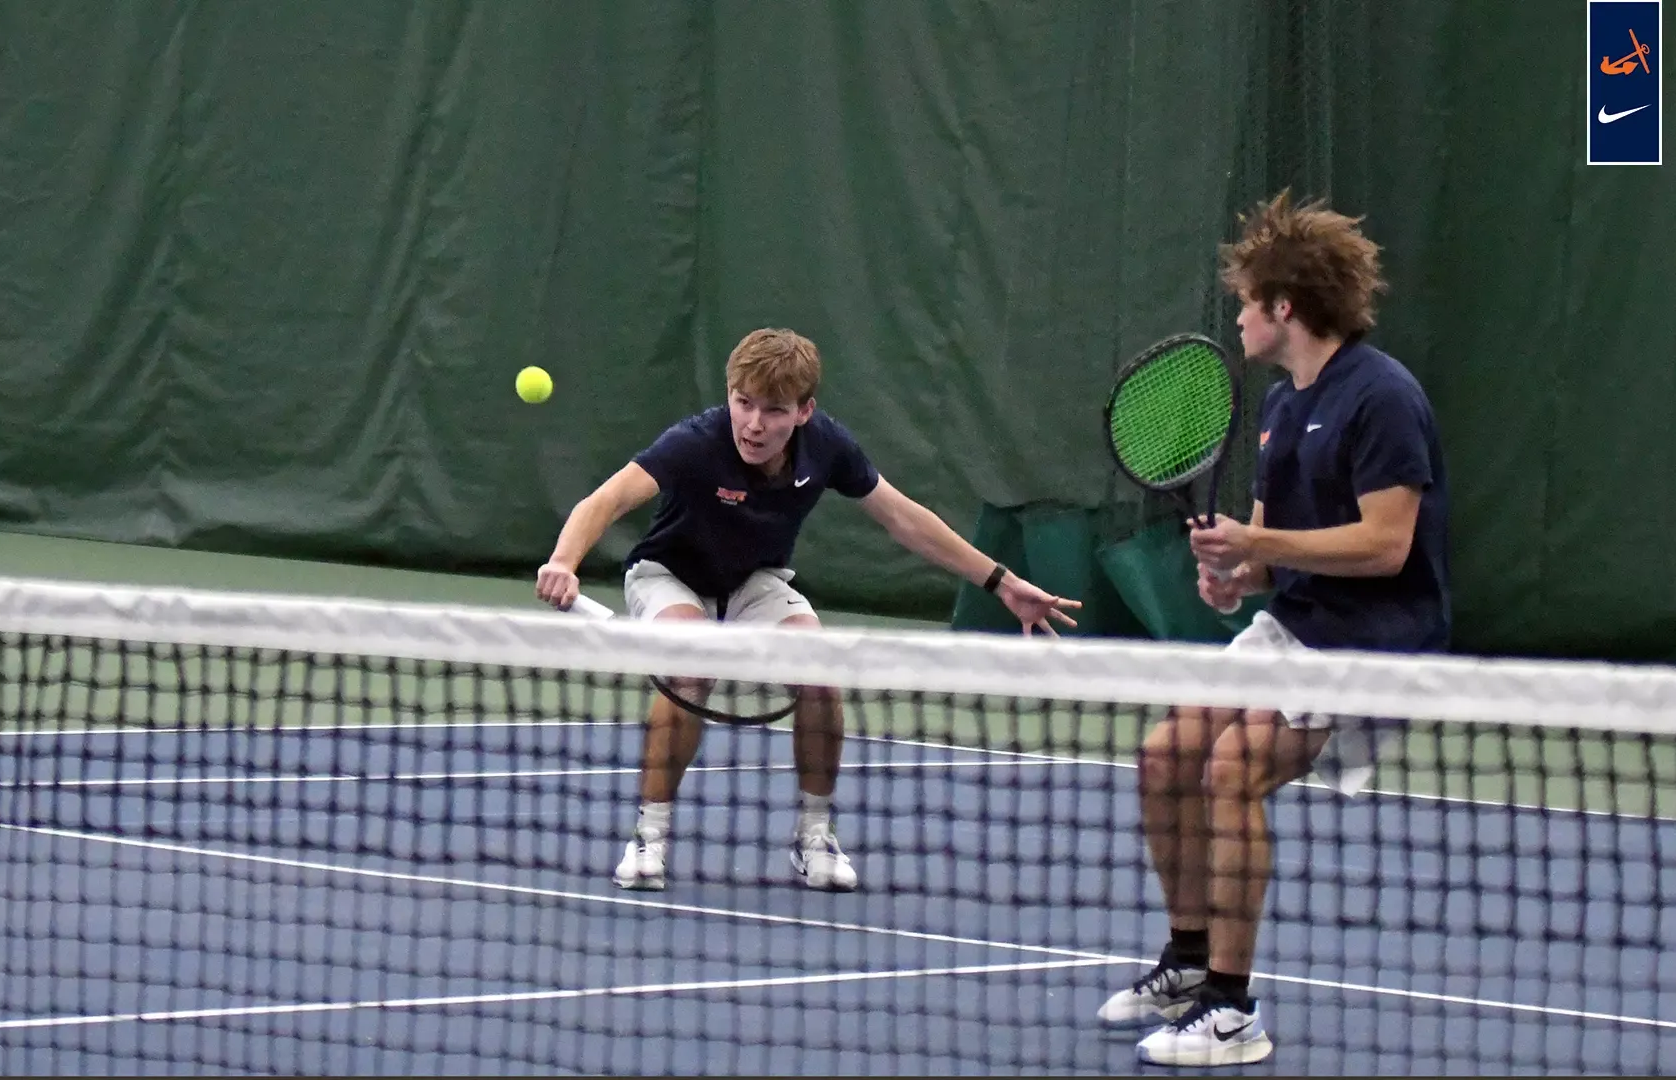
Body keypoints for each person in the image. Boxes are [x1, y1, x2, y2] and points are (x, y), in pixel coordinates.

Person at [1096, 192, 1452, 1068]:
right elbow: (1267, 555)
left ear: (1282, 307)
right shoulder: (1285, 405)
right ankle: (1187, 961)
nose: (1240, 317)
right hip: (1297, 623)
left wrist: (1260, 546)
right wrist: (1236, 574)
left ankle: (1232, 1011)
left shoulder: (1384, 398)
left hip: (1374, 640)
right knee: (1165, 756)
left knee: (1230, 770)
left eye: (1247, 302)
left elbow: (1385, 545)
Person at [536, 327, 1081, 893]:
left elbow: (903, 518)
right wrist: (563, 561)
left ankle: (814, 837)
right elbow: (608, 499)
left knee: (821, 671)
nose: (752, 424)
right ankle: (650, 835)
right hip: (669, 578)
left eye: (772, 411)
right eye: (743, 403)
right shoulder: (695, 442)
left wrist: (1001, 581)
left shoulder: (827, 446)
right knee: (690, 664)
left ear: (804, 411)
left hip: (755, 581)